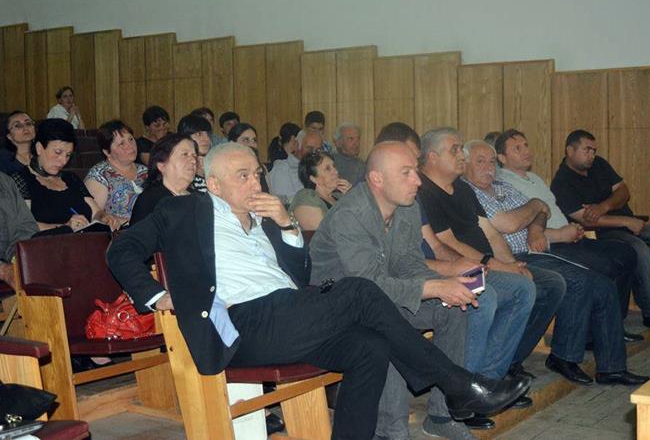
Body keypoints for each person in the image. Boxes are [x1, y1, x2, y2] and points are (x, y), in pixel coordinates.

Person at [107, 142, 529, 440]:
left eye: (257, 173)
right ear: (214, 185)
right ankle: (456, 384)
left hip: (289, 313)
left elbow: (298, 275)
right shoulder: (184, 210)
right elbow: (120, 250)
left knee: (369, 346)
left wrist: (287, 226)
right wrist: (158, 296)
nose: (255, 182)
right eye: (242, 176)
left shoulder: (266, 216)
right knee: (359, 291)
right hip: (243, 324)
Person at [311, 141, 532, 438]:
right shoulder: (350, 215)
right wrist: (434, 286)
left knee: (453, 308)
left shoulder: (408, 206)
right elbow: (367, 286)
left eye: (415, 171)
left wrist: (446, 287)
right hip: (337, 307)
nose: (417, 180)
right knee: (385, 324)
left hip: (385, 294)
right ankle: (391, 430)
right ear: (377, 179)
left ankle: (442, 415)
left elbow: (408, 263)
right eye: (406, 173)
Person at [463, 138, 648, 386]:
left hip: (533, 250)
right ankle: (561, 357)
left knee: (602, 284)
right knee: (579, 281)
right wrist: (533, 207)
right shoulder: (469, 192)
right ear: (464, 164)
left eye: (491, 162)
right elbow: (510, 223)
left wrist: (534, 226)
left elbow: (543, 212)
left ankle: (611, 368)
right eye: (480, 162)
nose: (488, 167)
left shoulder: (501, 186)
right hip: (509, 258)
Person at [418, 128, 565, 385]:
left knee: (545, 283)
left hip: (484, 264)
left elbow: (491, 233)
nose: (461, 155)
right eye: (454, 150)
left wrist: (511, 264)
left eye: (461, 148)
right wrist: (498, 267)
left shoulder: (462, 188)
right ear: (432, 157)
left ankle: (496, 372)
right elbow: (447, 244)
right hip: (455, 268)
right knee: (496, 294)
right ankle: (473, 383)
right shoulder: (425, 192)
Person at [494, 129, 642, 340]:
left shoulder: (534, 178)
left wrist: (573, 228)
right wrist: (561, 234)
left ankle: (614, 325)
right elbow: (522, 230)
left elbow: (551, 211)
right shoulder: (503, 185)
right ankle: (595, 334)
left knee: (626, 253)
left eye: (526, 145)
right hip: (550, 244)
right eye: (517, 148)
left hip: (569, 236)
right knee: (604, 266)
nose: (525, 151)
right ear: (501, 158)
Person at [551, 130, 650, 326]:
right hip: (603, 234)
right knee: (639, 250)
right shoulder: (561, 183)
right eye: (587, 150)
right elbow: (585, 220)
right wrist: (625, 221)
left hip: (628, 223)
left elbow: (623, 190)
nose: (592, 155)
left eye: (594, 151)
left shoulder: (599, 164)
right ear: (570, 151)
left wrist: (603, 207)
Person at [11, 118, 120, 233]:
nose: (63, 161)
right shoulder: (21, 180)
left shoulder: (71, 178)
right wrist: (65, 227)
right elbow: (24, 226)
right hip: (48, 242)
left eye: (68, 155)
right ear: (39, 148)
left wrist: (104, 217)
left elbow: (96, 212)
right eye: (58, 152)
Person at [84, 120, 148, 227]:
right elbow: (94, 218)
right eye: (121, 144)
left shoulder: (145, 171)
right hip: (120, 234)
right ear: (107, 152)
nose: (130, 146)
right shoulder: (99, 176)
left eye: (131, 139)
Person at [129, 134, 197, 225]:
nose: (193, 161)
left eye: (194, 155)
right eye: (185, 154)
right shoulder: (151, 201)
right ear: (162, 165)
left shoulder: (199, 198)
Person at [289, 151, 351, 231]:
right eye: (328, 169)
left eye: (334, 166)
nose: (336, 171)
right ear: (313, 179)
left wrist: (353, 197)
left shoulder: (339, 196)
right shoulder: (306, 197)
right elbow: (322, 233)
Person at [0, 171, 38, 284]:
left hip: (9, 264)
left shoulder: (5, 181)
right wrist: (3, 270)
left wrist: (17, 259)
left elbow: (26, 227)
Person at [269, 129, 323, 203]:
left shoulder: (321, 169)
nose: (314, 153)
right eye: (310, 148)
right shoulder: (281, 168)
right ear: (297, 146)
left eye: (318, 150)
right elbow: (284, 201)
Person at [228, 122, 271, 192]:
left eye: (254, 140)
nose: (252, 145)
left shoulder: (262, 168)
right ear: (232, 143)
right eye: (246, 140)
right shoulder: (226, 169)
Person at [177, 114, 212, 193]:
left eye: (208, 134)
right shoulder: (178, 170)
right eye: (199, 134)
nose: (206, 139)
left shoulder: (215, 164)